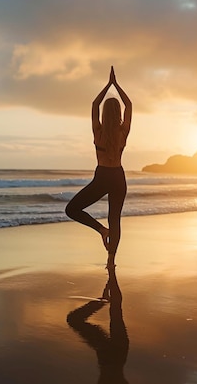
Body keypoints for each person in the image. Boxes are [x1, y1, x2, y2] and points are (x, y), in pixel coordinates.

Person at [65, 66, 132, 267]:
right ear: (118, 113)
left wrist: (108, 85)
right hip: (118, 177)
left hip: (102, 176)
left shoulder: (98, 131)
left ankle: (101, 230)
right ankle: (111, 259)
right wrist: (116, 85)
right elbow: (129, 105)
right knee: (115, 220)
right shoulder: (123, 132)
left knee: (72, 209)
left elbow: (95, 104)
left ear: (104, 113)